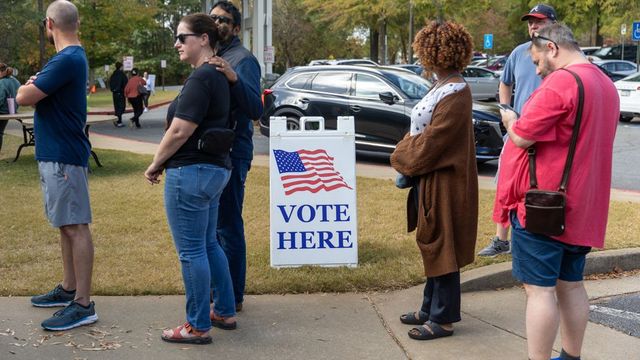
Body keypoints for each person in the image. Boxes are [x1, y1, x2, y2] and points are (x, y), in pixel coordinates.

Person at [494, 23, 619, 360]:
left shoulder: (562, 82)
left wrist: (508, 120)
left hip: (545, 205)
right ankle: (571, 355)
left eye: (536, 62)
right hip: (584, 205)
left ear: (551, 48)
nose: (537, 70)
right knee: (572, 285)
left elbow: (522, 135)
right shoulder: (606, 84)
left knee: (539, 291)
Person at [144, 13, 235, 345]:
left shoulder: (202, 78)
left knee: (192, 251)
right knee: (209, 244)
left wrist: (156, 162)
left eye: (183, 38)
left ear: (204, 39)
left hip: (191, 173)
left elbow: (180, 129)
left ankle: (198, 326)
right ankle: (224, 310)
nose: (177, 44)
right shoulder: (220, 75)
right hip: (214, 171)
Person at [390, 20, 478, 341]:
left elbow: (432, 143)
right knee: (432, 242)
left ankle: (443, 320)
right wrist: (407, 150)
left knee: (444, 247)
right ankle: (429, 308)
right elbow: (419, 132)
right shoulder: (442, 85)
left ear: (436, 53)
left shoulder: (457, 91)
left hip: (447, 183)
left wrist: (399, 155)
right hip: (431, 181)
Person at [15, 0, 97, 331]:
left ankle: (83, 304)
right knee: (66, 223)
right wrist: (35, 85)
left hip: (64, 155)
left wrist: (29, 86)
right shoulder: (68, 59)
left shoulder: (68, 58)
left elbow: (23, 97)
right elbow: (38, 90)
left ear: (49, 24)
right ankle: (68, 289)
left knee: (75, 225)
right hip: (58, 154)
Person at [478, 3, 558, 257]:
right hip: (516, 132)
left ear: (553, 24)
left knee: (540, 187)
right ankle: (502, 240)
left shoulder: (560, 54)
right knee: (506, 184)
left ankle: (540, 236)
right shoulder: (518, 53)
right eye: (530, 22)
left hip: (547, 135)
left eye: (539, 21)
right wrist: (505, 110)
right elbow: (505, 84)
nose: (533, 26)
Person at [208, 1, 263, 312]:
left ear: (237, 28)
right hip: (217, 152)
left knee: (228, 225)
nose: (218, 23)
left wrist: (232, 77)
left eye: (224, 20)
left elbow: (255, 108)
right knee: (216, 226)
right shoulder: (219, 55)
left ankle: (233, 296)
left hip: (234, 153)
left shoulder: (242, 61)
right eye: (213, 17)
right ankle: (222, 292)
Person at [0, 63, 18, 153]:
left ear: (1, 72)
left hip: (2, 111)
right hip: (12, 110)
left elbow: (0, 99)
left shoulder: (2, 82)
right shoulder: (15, 80)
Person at [108, 61, 128, 127]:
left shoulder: (113, 75)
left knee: (117, 107)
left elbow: (110, 82)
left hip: (114, 93)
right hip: (120, 92)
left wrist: (113, 89)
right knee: (122, 107)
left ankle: (118, 120)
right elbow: (125, 82)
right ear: (121, 67)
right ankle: (118, 121)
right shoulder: (121, 74)